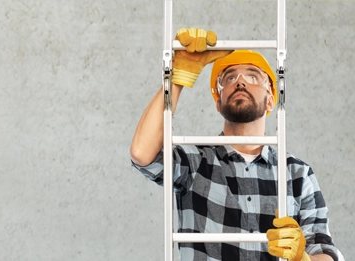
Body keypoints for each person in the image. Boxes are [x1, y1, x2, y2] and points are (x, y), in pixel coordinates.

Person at [130, 28, 342, 261]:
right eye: (229, 78)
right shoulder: (195, 162)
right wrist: (179, 77)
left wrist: (304, 258)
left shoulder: (297, 173)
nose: (240, 82)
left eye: (252, 76)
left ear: (271, 98)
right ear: (218, 103)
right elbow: (142, 153)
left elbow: (325, 252)